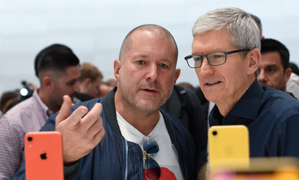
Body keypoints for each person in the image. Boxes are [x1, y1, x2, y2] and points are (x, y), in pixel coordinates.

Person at [13, 24, 196, 180]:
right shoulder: (72, 125)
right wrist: (62, 159)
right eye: (141, 62)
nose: (153, 75)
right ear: (118, 69)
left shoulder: (181, 138)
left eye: (164, 66)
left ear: (175, 77)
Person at [185, 7, 299, 179]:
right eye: (197, 58)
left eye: (217, 56)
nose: (204, 70)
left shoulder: (289, 121)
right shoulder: (218, 118)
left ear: (252, 61)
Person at [0, 44, 80, 180]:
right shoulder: (13, 122)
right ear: (48, 83)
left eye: (78, 81)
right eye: (70, 83)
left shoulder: (80, 113)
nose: (78, 88)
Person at [161, 84, 208, 174]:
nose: (153, 75)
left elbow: (202, 144)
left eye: (164, 68)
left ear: (176, 74)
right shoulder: (131, 101)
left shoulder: (185, 97)